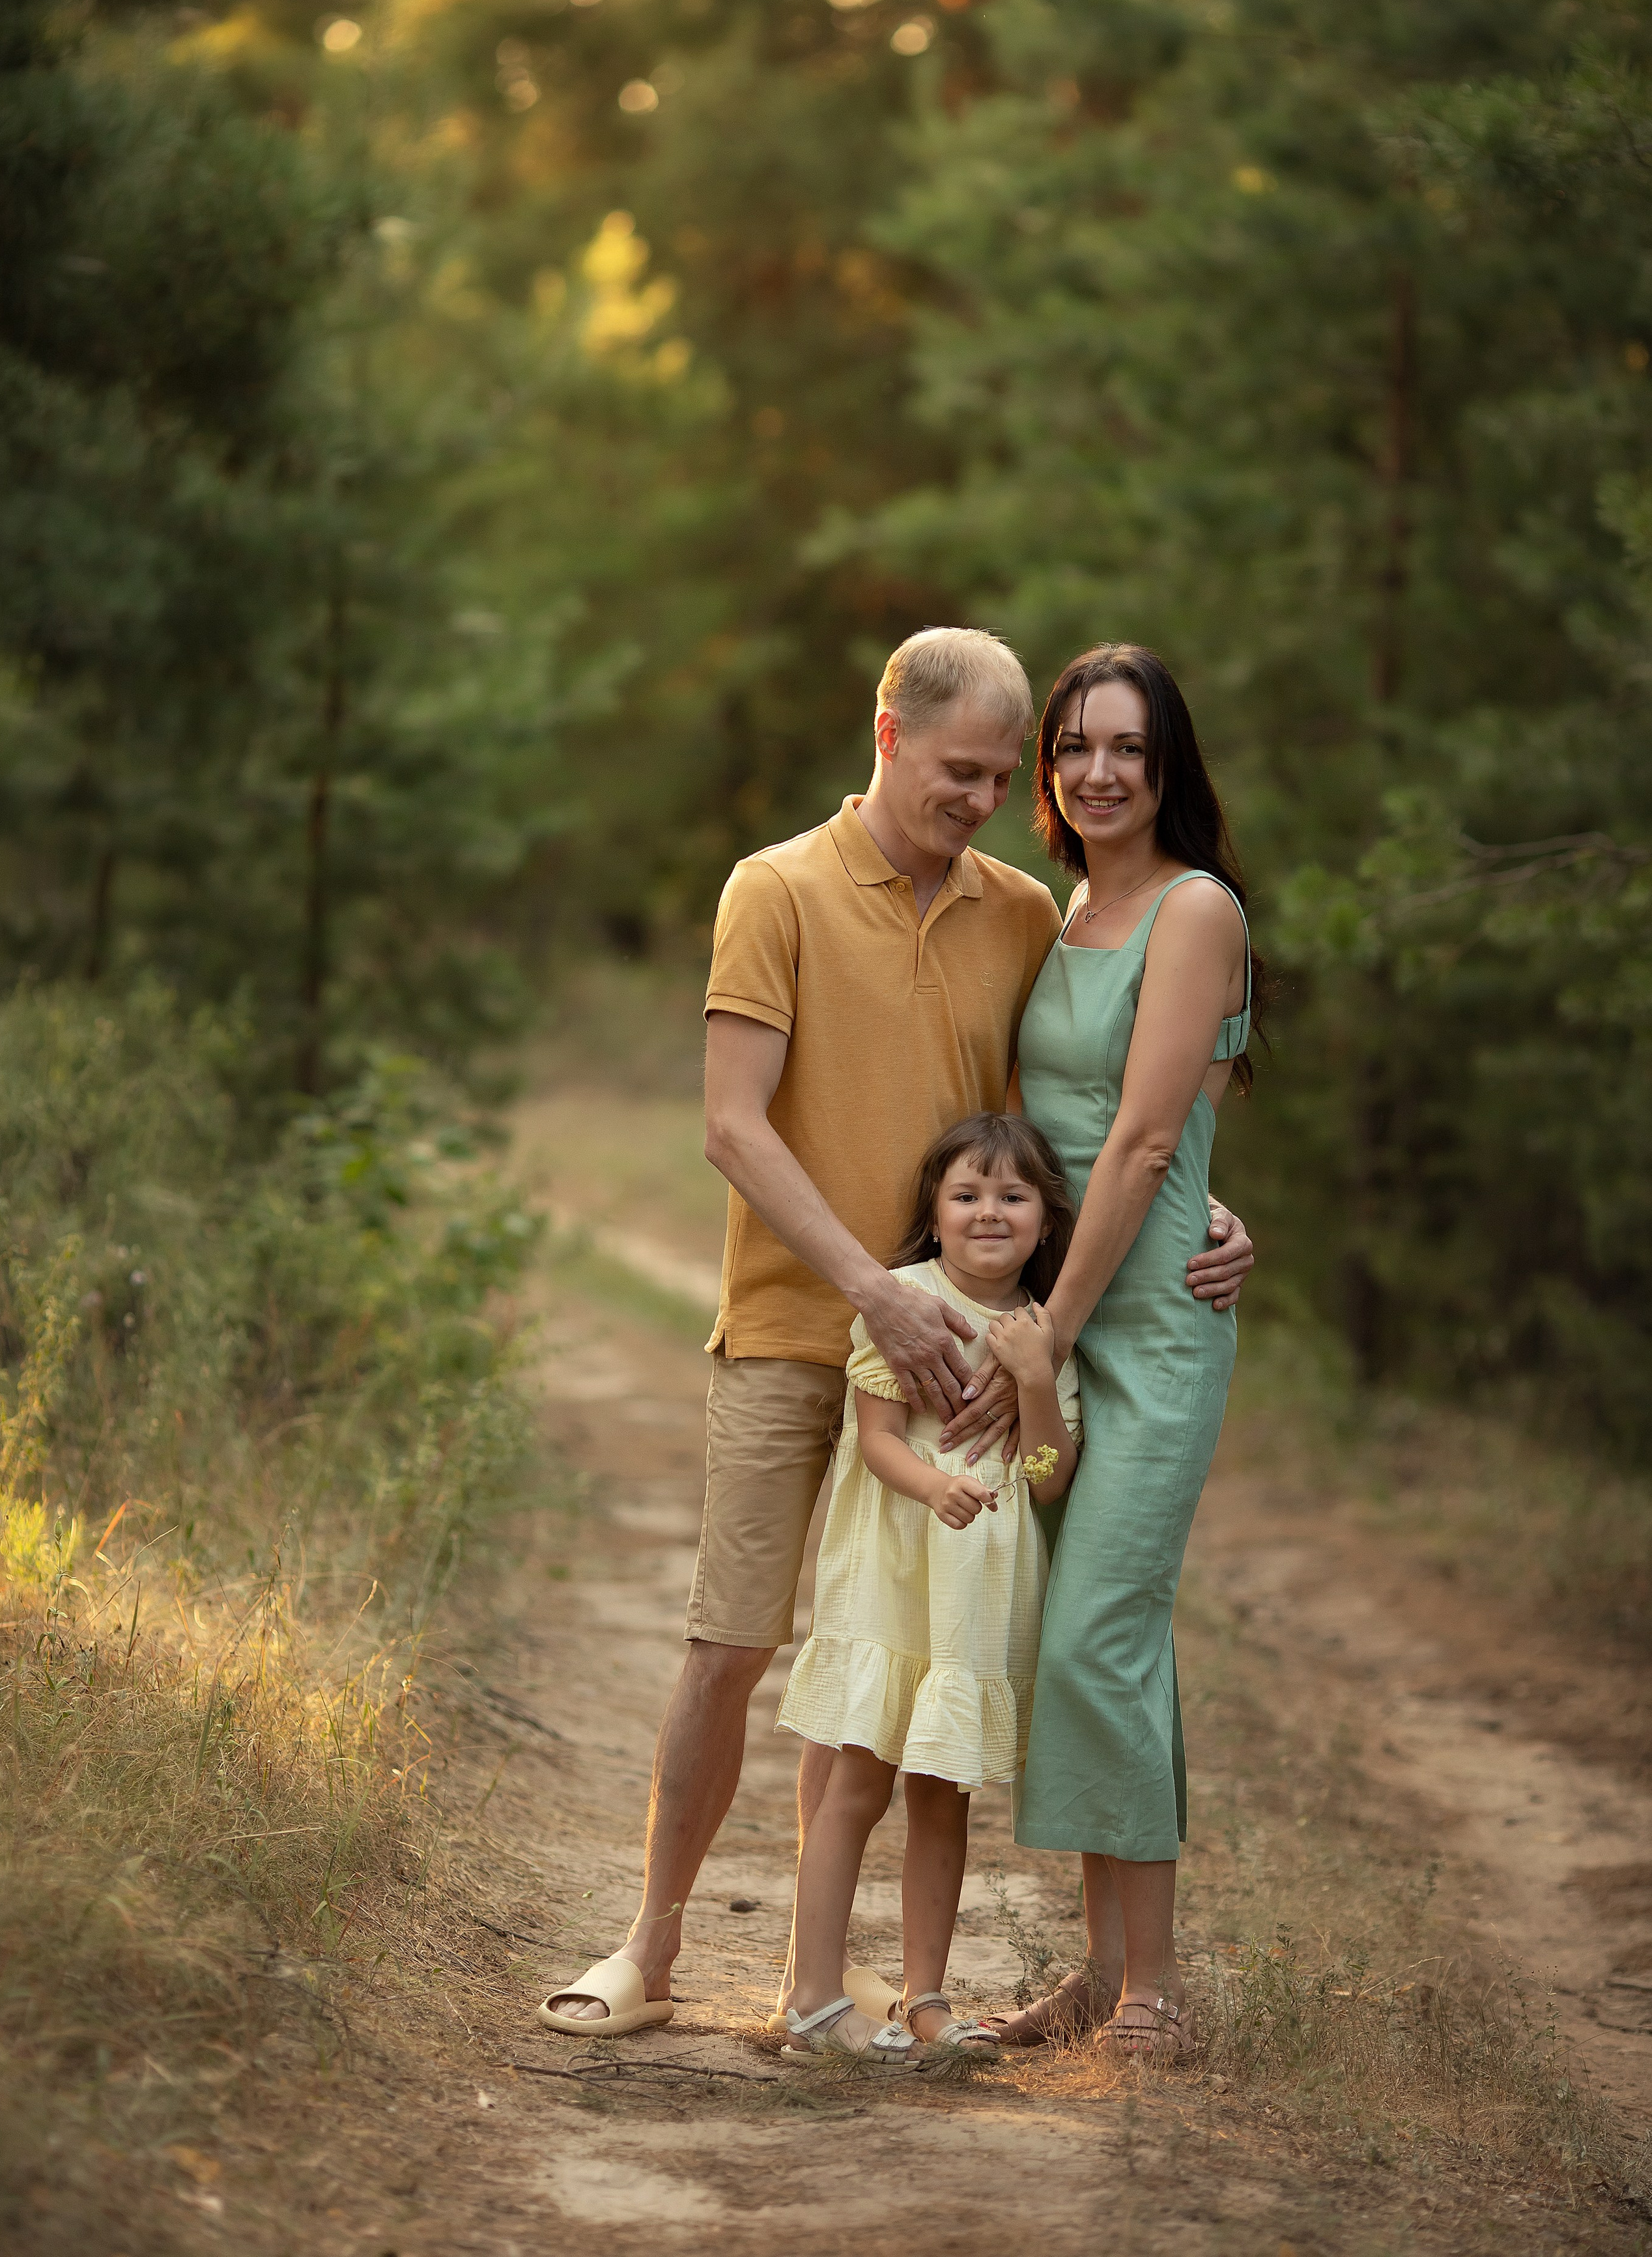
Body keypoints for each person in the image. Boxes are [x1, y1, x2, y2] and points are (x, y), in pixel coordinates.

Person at [538, 627, 1255, 2039]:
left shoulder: (1015, 913)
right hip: (804, 1321)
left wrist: (1206, 1207)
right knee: (731, 1645)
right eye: (963, 770)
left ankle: (849, 1983)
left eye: (1002, 775)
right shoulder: (777, 890)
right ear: (885, 734)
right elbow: (730, 1127)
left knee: (891, 1660)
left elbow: (1082, 1119)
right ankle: (651, 1946)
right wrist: (878, 1289)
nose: (986, 798)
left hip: (968, 1353)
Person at [986, 642, 1267, 2063]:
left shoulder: (1192, 909)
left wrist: (1060, 1325)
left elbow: (1156, 1137)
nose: (1098, 772)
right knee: (1068, 1643)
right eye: (1074, 746)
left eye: (1127, 750)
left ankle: (1153, 1983)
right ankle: (1096, 1975)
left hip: (1140, 1325)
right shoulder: (1065, 915)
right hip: (1059, 1311)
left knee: (1104, 1630)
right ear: (1048, 768)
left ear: (1167, 771)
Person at [775, 1113, 1081, 2063]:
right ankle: (815, 1996)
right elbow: (873, 1441)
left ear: (1043, 1218)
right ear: (935, 1212)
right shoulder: (904, 1299)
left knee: (943, 1796)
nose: (990, 1211)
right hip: (896, 1576)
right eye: (967, 1194)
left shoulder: (1044, 1327)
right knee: (857, 1784)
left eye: (1013, 1195)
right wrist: (936, 1483)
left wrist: (1036, 1378)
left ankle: (927, 2000)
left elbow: (1048, 1476)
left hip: (977, 1597)